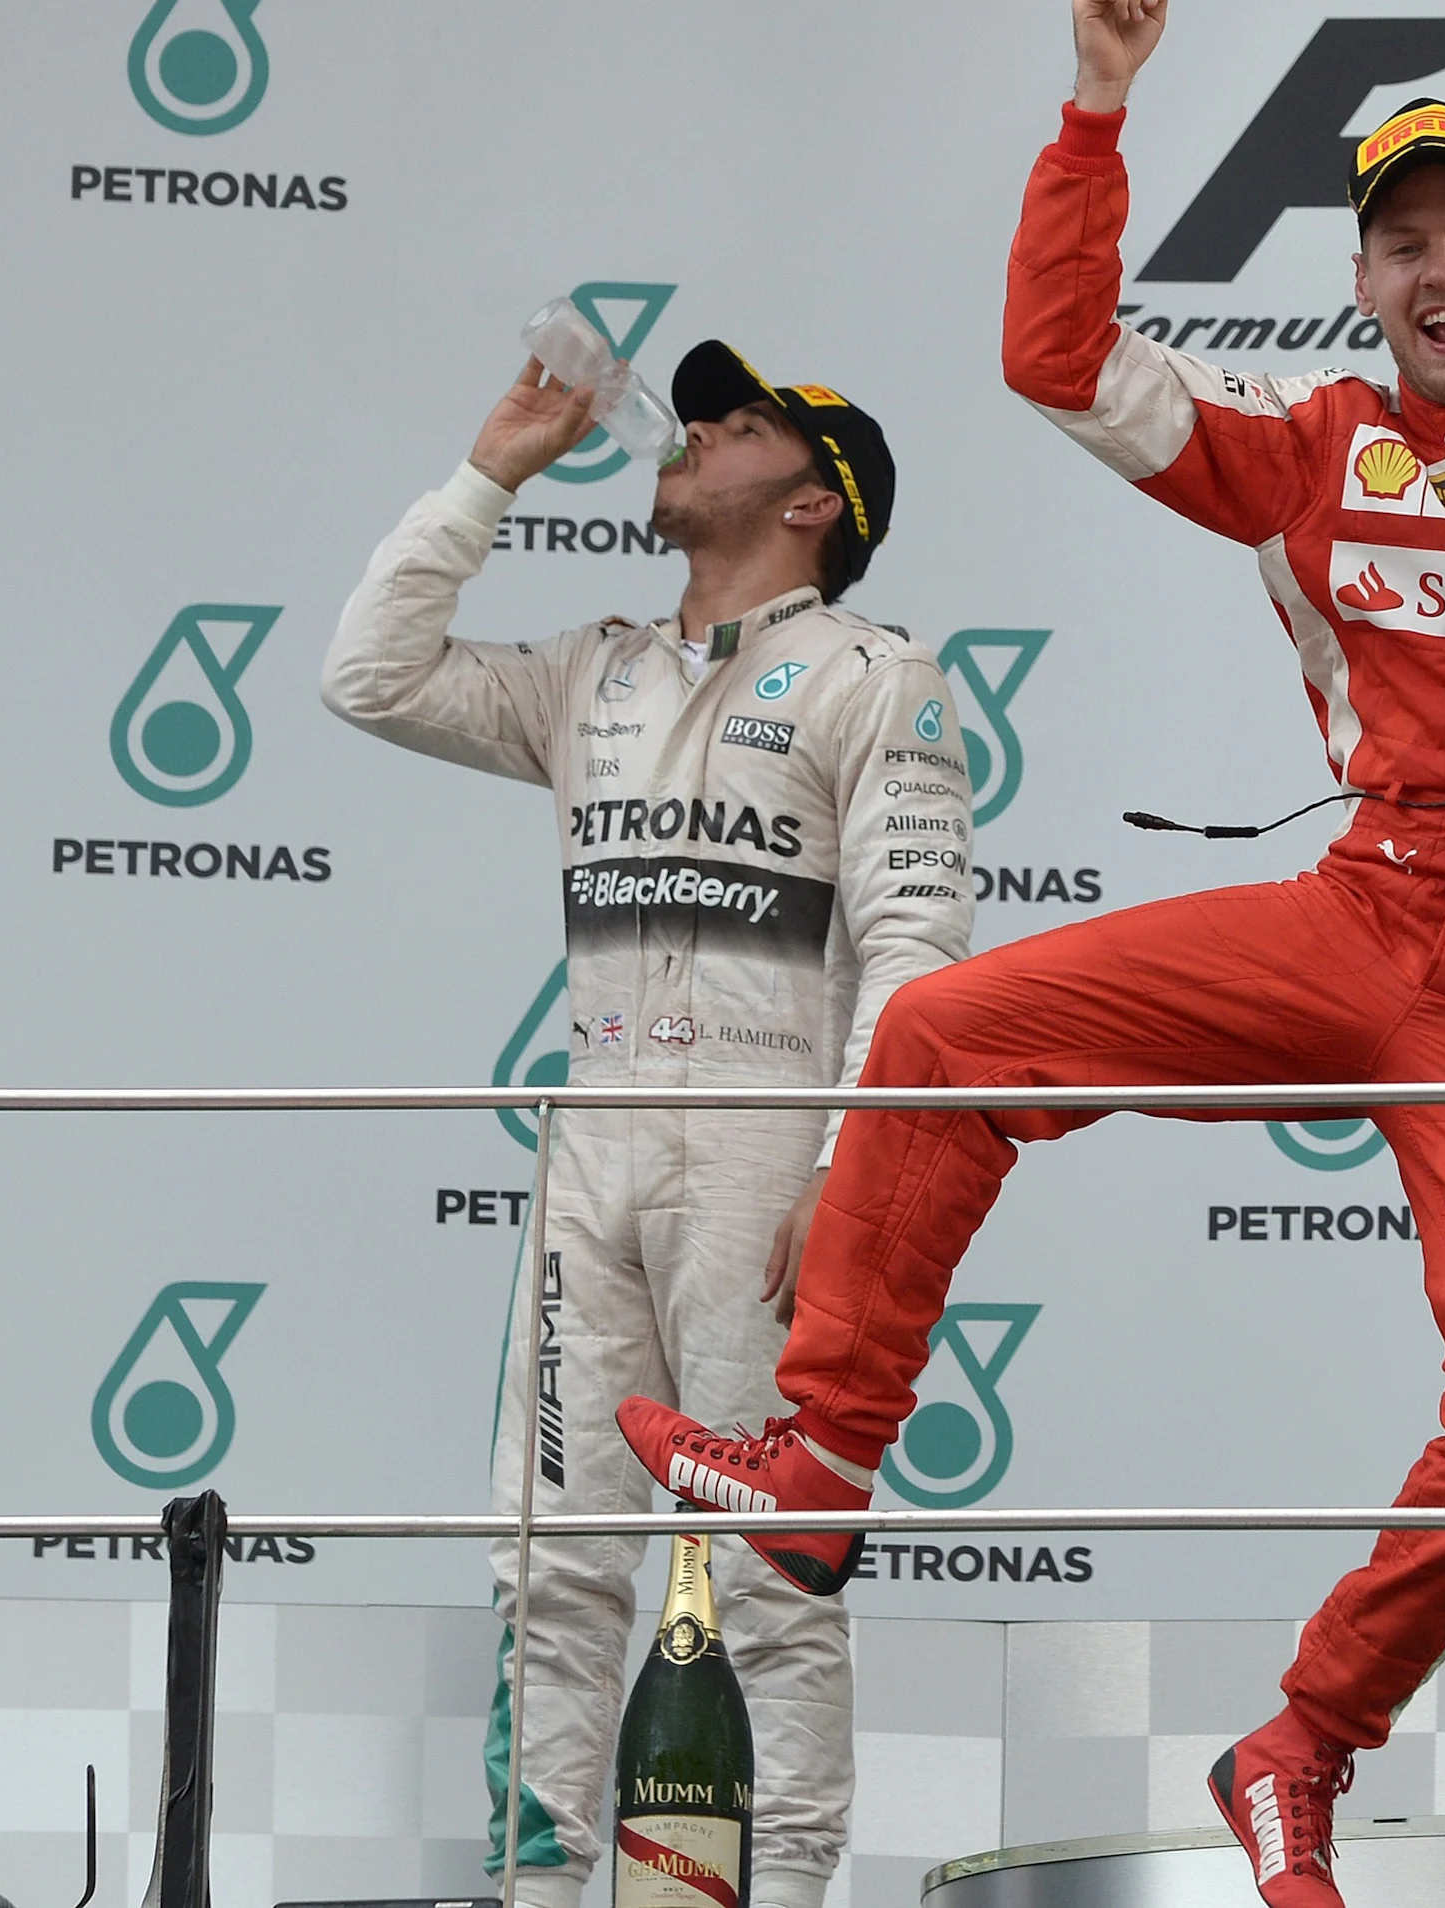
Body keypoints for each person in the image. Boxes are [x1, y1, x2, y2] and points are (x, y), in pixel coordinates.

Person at [618, 4, 1445, 1903]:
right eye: (1403, 245)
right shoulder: (1313, 445)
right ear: (1364, 281)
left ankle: (1301, 1746)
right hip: (1359, 924)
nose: (1440, 271)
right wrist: (1098, 109)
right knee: (942, 1029)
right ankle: (825, 1459)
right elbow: (1061, 362)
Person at [324, 343, 969, 1908]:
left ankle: (785, 1894)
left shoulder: (876, 677)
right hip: (593, 1150)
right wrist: (492, 469)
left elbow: (916, 950)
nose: (688, 436)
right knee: (546, 1564)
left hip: (766, 1157)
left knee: (775, 1571)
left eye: (734, 427)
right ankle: (536, 1893)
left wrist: (847, 1165)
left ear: (815, 502)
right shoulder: (589, 674)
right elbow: (371, 675)